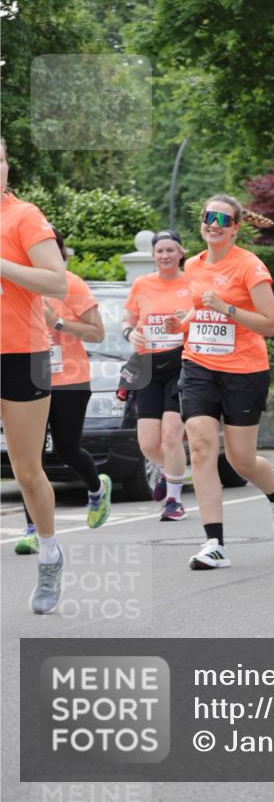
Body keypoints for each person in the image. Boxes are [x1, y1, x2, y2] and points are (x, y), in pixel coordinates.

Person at [165, 195, 274, 569]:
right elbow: (197, 309)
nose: (214, 223)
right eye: (209, 217)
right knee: (203, 448)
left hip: (244, 370)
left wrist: (227, 308)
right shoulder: (192, 264)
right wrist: (183, 323)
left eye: (223, 219)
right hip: (198, 365)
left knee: (240, 460)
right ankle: (214, 543)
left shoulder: (249, 267)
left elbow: (270, 324)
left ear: (236, 227)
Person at [0, 139, 68, 612]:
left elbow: (57, 281)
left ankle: (49, 553)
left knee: (26, 470)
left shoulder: (23, 216)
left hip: (21, 352)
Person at [15, 229, 109, 554]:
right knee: (32, 457)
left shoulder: (72, 285)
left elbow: (97, 333)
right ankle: (31, 529)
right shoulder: (18, 284)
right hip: (29, 378)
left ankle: (97, 488)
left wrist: (57, 323)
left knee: (67, 449)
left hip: (70, 380)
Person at [121, 230, 191, 521]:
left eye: (170, 250)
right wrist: (130, 333)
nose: (165, 256)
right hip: (147, 365)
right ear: (153, 255)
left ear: (181, 253)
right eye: (160, 251)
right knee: (149, 443)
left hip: (181, 363)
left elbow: (200, 317)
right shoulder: (141, 284)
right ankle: (170, 471)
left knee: (172, 435)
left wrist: (182, 326)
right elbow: (128, 320)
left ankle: (174, 500)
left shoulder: (192, 282)